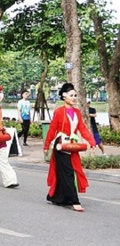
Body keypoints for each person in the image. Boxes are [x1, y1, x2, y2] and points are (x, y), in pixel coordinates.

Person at [44, 83, 95, 212]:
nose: (74, 98)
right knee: (68, 172)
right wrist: (46, 146)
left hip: (72, 145)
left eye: (75, 95)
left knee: (68, 171)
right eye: (71, 95)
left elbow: (82, 128)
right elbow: (52, 129)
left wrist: (91, 141)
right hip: (61, 145)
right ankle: (74, 201)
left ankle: (55, 197)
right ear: (64, 96)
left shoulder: (77, 112)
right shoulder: (59, 112)